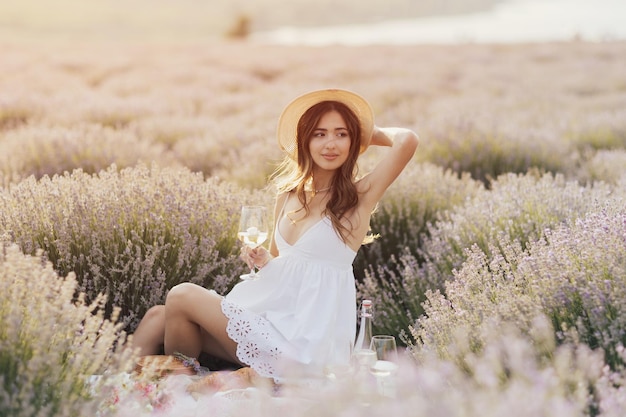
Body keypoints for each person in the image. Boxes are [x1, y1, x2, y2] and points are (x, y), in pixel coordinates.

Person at [131, 88, 419, 381]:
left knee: (182, 295)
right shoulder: (288, 194)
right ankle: (120, 387)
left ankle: (182, 391)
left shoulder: (358, 197)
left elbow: (407, 140)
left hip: (304, 346)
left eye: (341, 134)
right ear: (304, 140)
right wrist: (262, 258)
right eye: (319, 134)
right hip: (269, 321)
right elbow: (278, 262)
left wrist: (364, 131)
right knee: (159, 315)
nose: (330, 144)